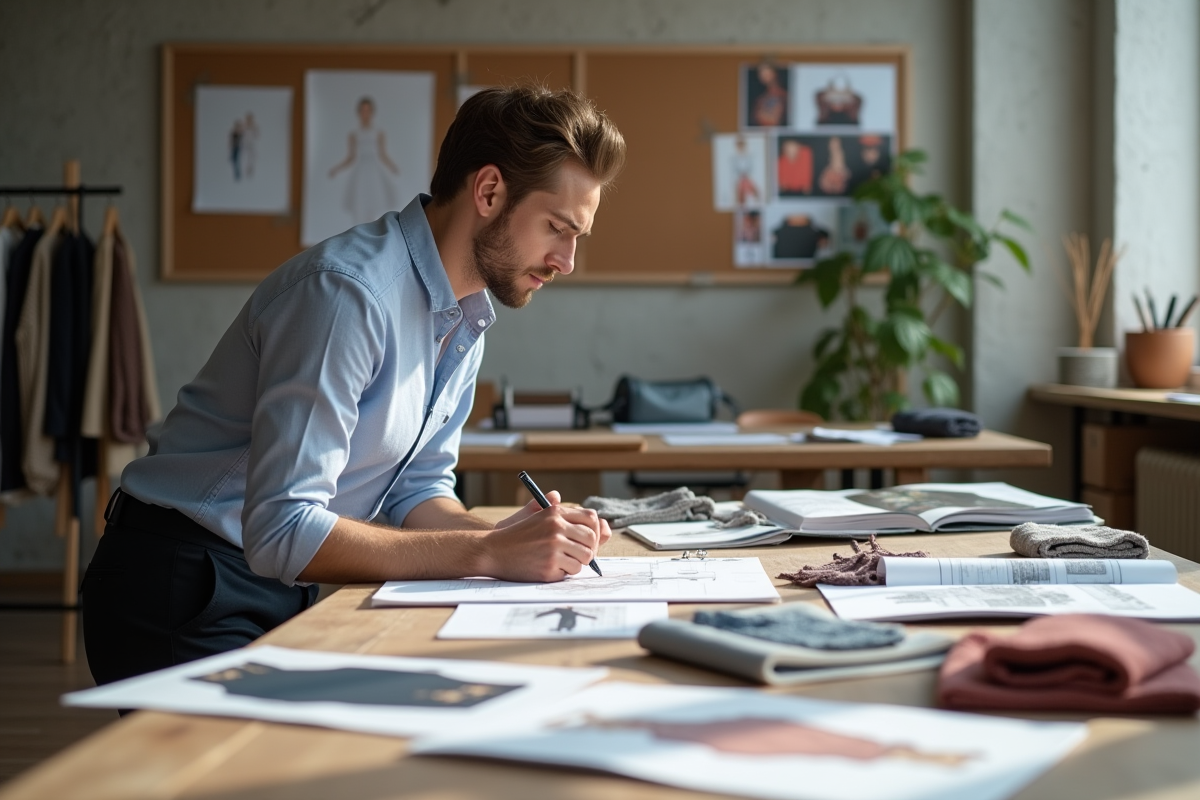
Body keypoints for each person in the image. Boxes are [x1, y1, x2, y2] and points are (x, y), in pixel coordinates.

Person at [81, 85, 626, 688]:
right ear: (490, 191)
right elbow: (284, 528)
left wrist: (518, 538)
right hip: (182, 583)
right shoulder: (348, 294)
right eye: (557, 227)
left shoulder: (466, 313)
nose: (568, 260)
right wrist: (488, 553)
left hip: (277, 582)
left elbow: (416, 493)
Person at [328, 96, 401, 224]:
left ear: (372, 112)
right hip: (361, 172)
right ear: (358, 112)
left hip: (374, 172)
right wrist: (336, 169)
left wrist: (392, 166)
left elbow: (382, 154)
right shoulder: (354, 134)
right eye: (362, 110)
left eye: (368, 110)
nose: (365, 114)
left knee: (374, 203)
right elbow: (351, 157)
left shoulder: (378, 132)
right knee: (360, 201)